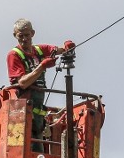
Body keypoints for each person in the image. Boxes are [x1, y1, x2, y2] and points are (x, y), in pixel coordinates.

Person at [6, 18, 75, 151]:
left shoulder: (38, 50)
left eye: (27, 35)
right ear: (15, 36)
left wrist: (66, 47)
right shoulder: (14, 55)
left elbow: (57, 50)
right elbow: (22, 83)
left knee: (38, 152)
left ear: (33, 33)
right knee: (28, 151)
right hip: (22, 114)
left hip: (37, 115)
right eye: (21, 36)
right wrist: (42, 66)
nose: (24, 39)